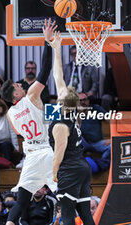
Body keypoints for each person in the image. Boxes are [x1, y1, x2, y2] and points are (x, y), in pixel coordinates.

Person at [1, 19, 57, 225]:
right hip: (47, 151)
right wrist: (47, 41)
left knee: (22, 200)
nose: (21, 83)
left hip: (31, 156)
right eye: (17, 84)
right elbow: (45, 69)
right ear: (15, 92)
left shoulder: (10, 114)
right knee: (65, 192)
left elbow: (25, 130)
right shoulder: (32, 95)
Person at [48, 31, 95, 225]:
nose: (61, 89)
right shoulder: (71, 111)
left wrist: (53, 173)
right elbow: (58, 74)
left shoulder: (60, 124)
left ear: (61, 101)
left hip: (69, 169)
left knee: (67, 214)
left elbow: (59, 152)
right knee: (85, 215)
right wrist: (56, 49)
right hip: (82, 168)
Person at [78, 92, 111, 173]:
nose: (82, 102)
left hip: (97, 142)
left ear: (88, 101)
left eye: (84, 100)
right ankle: (77, 168)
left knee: (112, 146)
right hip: (81, 143)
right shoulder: (72, 111)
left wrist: (113, 138)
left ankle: (101, 164)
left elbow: (112, 121)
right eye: (80, 100)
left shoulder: (95, 108)